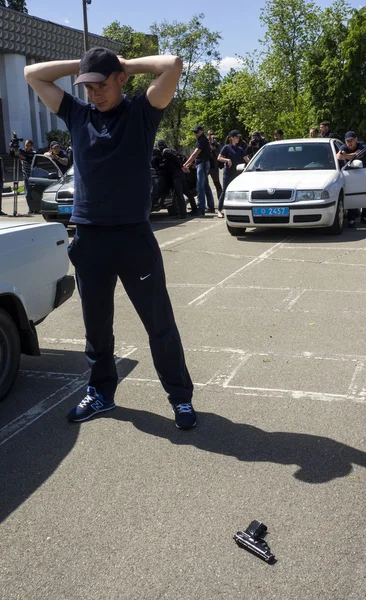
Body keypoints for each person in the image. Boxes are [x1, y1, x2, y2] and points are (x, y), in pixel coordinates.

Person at [24, 46, 196, 429]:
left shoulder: (141, 113)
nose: (94, 92)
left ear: (121, 80)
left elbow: (172, 65)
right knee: (96, 327)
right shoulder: (77, 114)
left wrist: (123, 65)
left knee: (159, 323)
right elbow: (33, 74)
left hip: (134, 238)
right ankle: (101, 392)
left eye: (102, 84)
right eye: (87, 85)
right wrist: (86, 65)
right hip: (89, 238)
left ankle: (180, 398)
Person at [336, 130, 366, 228]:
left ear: (356, 139)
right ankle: (351, 219)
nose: (349, 143)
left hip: (365, 174)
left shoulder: (362, 146)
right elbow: (338, 156)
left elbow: (360, 154)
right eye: (347, 141)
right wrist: (349, 155)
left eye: (351, 140)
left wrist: (346, 156)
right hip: (351, 176)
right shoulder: (344, 147)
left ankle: (364, 216)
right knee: (353, 196)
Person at [158, 140, 197, 218]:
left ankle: (183, 214)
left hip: (177, 174)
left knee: (179, 194)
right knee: (187, 192)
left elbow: (176, 159)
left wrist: (182, 167)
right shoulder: (169, 150)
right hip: (179, 173)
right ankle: (194, 210)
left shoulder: (166, 151)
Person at [183, 125, 215, 215]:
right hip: (202, 163)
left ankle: (201, 209)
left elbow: (195, 154)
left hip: (203, 164)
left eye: (196, 132)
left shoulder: (202, 140)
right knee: (205, 186)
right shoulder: (201, 139)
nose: (195, 133)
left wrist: (185, 164)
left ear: (201, 131)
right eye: (194, 132)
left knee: (200, 187)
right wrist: (190, 164)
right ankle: (211, 207)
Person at [216, 130, 247, 218]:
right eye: (236, 137)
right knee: (225, 191)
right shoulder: (226, 147)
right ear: (232, 138)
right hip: (228, 173)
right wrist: (227, 160)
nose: (238, 139)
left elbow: (246, 159)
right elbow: (219, 158)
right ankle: (219, 210)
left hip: (237, 173)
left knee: (239, 191)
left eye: (238, 137)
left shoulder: (240, 149)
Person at [9, 139, 36, 214]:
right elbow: (12, 155)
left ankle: (35, 208)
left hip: (33, 175)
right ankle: (31, 208)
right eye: (25, 145)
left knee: (33, 193)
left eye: (28, 145)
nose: (26, 147)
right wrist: (12, 148)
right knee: (27, 193)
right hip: (25, 175)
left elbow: (28, 159)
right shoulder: (23, 151)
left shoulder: (33, 153)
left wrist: (21, 156)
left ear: (31, 146)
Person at [207, 130, 223, 200]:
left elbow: (220, 154)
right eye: (210, 134)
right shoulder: (205, 141)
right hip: (206, 164)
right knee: (203, 183)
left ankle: (220, 199)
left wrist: (214, 147)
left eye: (212, 134)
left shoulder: (216, 143)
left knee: (216, 183)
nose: (211, 135)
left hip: (214, 165)